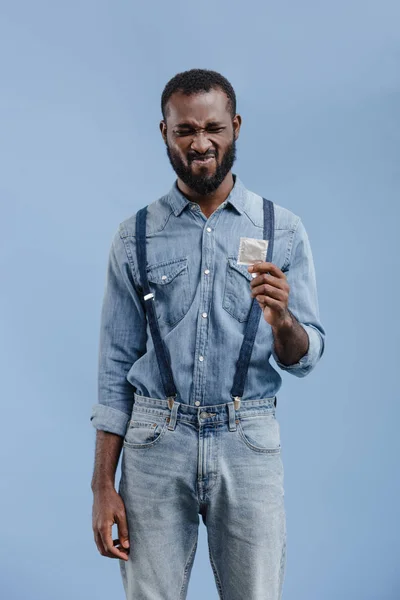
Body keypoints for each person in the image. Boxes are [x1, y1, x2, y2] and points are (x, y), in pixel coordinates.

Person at [90, 68, 326, 600]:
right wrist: (102, 484)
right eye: (185, 131)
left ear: (236, 126)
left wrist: (283, 321)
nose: (201, 144)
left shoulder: (280, 230)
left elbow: (307, 355)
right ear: (165, 132)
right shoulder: (136, 237)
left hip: (248, 439)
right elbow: (114, 367)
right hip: (154, 442)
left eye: (214, 128)